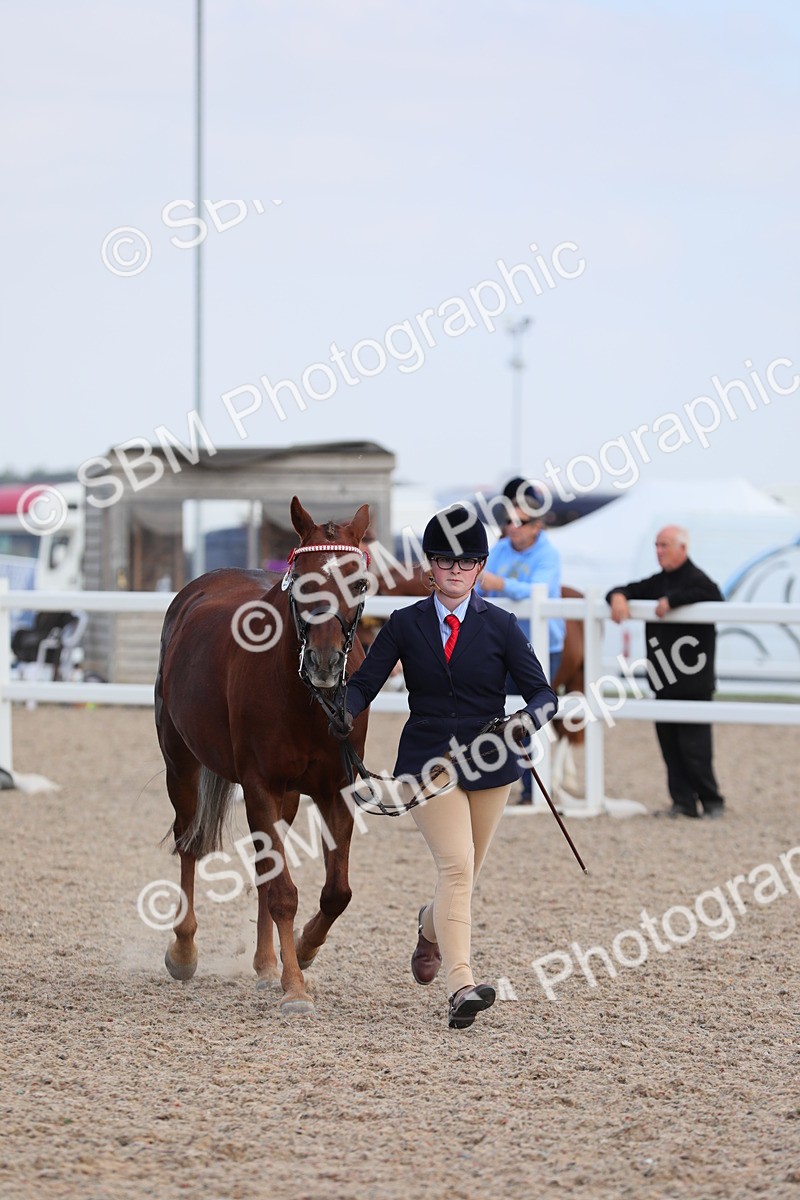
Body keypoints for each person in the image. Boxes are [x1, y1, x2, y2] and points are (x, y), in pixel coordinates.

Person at [332, 505, 558, 1029]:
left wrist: (523, 723)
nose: (454, 571)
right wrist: (345, 708)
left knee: (464, 876)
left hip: (492, 761)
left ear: (479, 567)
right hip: (428, 761)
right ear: (430, 567)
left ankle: (429, 928)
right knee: (457, 866)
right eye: (443, 562)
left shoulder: (501, 626)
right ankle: (461, 983)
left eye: (466, 563)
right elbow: (366, 681)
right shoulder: (404, 624)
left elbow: (544, 695)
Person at [606, 525, 725, 820]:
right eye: (657, 545)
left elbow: (713, 595)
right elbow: (624, 589)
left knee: (695, 748)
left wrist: (673, 602)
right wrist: (618, 598)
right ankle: (682, 803)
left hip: (694, 682)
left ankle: (711, 801)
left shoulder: (699, 581)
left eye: (665, 545)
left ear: (682, 548)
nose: (659, 551)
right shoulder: (658, 581)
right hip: (663, 680)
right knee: (670, 747)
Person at [476, 477, 565, 804]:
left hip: (542, 647)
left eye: (519, 522)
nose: (512, 527)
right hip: (502, 647)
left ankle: (532, 790)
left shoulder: (549, 555)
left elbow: (537, 592)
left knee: (531, 716)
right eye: (509, 520)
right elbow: (478, 587)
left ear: (536, 526)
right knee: (492, 711)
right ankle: (497, 783)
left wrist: (499, 583)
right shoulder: (499, 549)